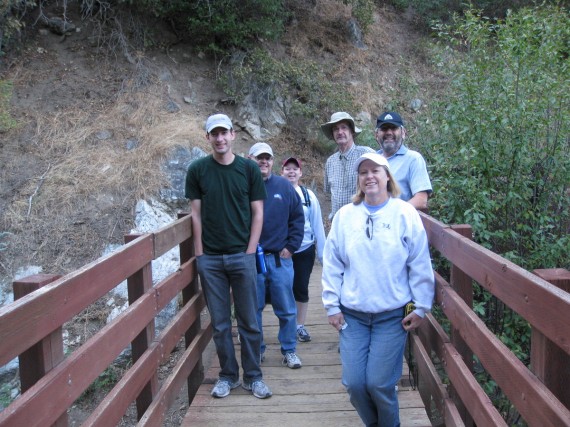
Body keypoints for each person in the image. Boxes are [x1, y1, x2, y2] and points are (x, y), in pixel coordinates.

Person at [322, 152, 435, 426]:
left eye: (375, 171)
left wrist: (421, 306)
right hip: (353, 315)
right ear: (358, 180)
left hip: (391, 315)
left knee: (379, 384)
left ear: (387, 176)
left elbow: (419, 262)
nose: (369, 176)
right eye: (363, 172)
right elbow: (332, 262)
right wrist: (332, 305)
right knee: (355, 384)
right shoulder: (345, 216)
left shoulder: (404, 213)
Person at [185, 113, 272, 399]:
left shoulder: (248, 169)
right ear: (207, 137)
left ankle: (253, 376)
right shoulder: (198, 170)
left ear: (233, 135)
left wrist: (249, 251)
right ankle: (228, 375)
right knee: (221, 323)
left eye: (224, 133)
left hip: (241, 256)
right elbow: (195, 214)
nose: (220, 138)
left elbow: (258, 212)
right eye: (214, 134)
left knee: (249, 320)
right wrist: (200, 254)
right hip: (211, 259)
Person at [248, 142, 305, 369]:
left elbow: (298, 218)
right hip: (252, 259)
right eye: (259, 158)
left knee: (287, 309)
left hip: (280, 260)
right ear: (250, 159)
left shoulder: (283, 185)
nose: (263, 161)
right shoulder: (243, 186)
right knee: (254, 308)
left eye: (267, 158)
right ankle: (257, 350)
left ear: (272, 161)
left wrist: (291, 247)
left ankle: (289, 350)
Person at [281, 157, 326, 343]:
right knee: (282, 289)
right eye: (287, 169)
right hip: (282, 251)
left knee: (301, 287)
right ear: (281, 172)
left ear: (300, 173)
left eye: (295, 169)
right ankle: (286, 326)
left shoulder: (308, 196)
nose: (291, 172)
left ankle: (299, 325)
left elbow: (317, 225)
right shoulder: (276, 193)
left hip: (305, 249)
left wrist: (323, 255)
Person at [322, 111, 375, 220]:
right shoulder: (330, 162)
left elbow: (381, 188)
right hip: (337, 225)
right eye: (336, 129)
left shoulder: (366, 154)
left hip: (361, 222)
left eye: (344, 127)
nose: (340, 132)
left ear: (352, 131)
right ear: (332, 134)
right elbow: (328, 194)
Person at [375, 111, 432, 210]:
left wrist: (393, 213)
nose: (389, 132)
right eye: (384, 129)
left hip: (400, 222)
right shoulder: (371, 160)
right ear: (376, 135)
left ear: (403, 133)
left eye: (393, 128)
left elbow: (421, 200)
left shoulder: (413, 159)